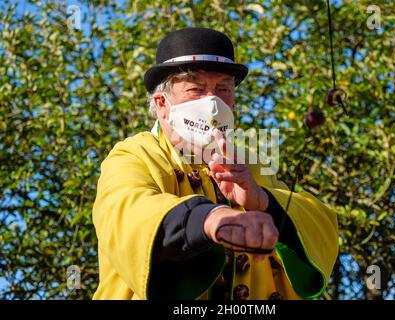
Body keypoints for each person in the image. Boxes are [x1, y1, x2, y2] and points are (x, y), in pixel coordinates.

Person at [92, 27, 339, 300]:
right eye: (196, 89)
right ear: (162, 104)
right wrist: (210, 219)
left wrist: (262, 201)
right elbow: (126, 211)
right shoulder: (134, 154)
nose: (212, 103)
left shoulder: (250, 164)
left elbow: (320, 223)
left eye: (223, 88)